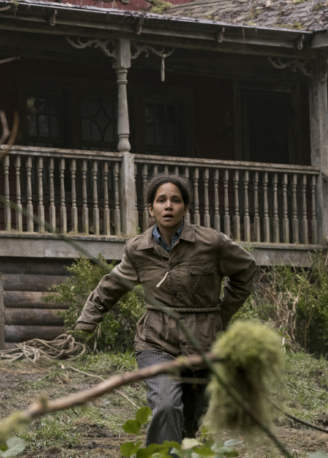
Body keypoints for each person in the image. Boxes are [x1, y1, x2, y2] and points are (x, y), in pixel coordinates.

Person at [74, 173, 259, 446]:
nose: (168, 206)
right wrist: (87, 321)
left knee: (189, 423)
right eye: (161, 200)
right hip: (156, 341)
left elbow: (246, 269)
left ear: (186, 207)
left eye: (176, 200)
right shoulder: (138, 249)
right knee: (166, 406)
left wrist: (222, 313)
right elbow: (112, 284)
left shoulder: (211, 243)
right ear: (151, 209)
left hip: (203, 343)